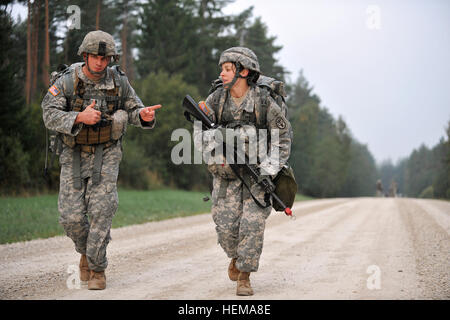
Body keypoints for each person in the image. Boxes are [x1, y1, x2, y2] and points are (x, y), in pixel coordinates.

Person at [41, 30, 161, 290]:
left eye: (105, 58)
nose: (100, 62)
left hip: (107, 152)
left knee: (101, 211)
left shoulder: (119, 80)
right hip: (72, 152)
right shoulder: (66, 81)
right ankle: (86, 252)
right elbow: (48, 114)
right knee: (71, 218)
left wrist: (144, 116)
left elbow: (133, 108)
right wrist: (79, 118)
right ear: (85, 55)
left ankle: (97, 268)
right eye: (95, 56)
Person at [199, 47, 292, 296]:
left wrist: (268, 170)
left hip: (256, 178)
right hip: (225, 177)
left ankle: (245, 276)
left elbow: (283, 138)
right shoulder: (217, 99)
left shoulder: (264, 102)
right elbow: (201, 132)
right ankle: (236, 257)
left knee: (251, 226)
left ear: (244, 71)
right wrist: (216, 160)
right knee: (226, 228)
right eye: (222, 68)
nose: (222, 73)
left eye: (228, 69)